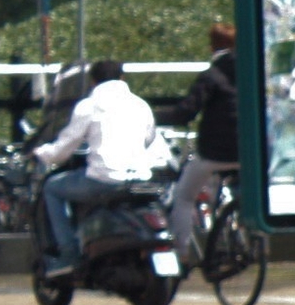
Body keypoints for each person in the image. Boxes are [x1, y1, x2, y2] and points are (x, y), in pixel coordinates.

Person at [33, 58, 165, 276]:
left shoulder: (89, 106)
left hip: (104, 178)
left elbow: (65, 146)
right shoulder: (141, 104)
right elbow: (148, 138)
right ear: (122, 78)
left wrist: (42, 154)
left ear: (92, 82)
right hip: (140, 178)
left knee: (52, 188)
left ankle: (68, 253)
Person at [156, 21, 240, 263]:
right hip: (248, 153)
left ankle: (180, 253)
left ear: (212, 45)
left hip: (214, 154)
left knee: (184, 197)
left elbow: (185, 113)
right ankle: (249, 241)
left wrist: (155, 116)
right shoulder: (251, 72)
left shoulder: (212, 75)